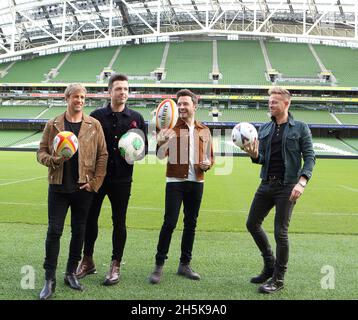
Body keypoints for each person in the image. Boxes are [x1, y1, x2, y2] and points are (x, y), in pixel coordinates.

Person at [37, 83, 108, 300]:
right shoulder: (54, 124)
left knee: (79, 232)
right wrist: (54, 160)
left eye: (82, 97)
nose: (79, 100)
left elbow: (102, 156)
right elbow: (41, 152)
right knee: (54, 232)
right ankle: (49, 278)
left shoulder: (93, 125)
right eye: (75, 97)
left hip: (83, 188)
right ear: (67, 98)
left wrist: (94, 183)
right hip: (58, 187)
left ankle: (70, 273)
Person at [76, 73, 147, 286]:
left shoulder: (136, 118)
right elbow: (87, 147)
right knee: (90, 220)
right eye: (118, 89)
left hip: (122, 180)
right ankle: (87, 260)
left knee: (119, 222)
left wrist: (132, 150)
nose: (123, 92)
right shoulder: (96, 115)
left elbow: (143, 152)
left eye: (126, 89)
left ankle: (116, 264)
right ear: (109, 92)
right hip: (97, 178)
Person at [242, 86, 315, 294]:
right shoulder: (264, 129)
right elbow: (262, 159)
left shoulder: (300, 127)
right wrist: (254, 156)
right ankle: (269, 265)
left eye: (274, 101)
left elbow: (310, 157)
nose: (270, 104)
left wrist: (302, 182)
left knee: (280, 233)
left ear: (286, 103)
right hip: (266, 184)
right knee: (252, 223)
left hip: (288, 186)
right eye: (269, 101)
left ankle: (279, 278)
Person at [149, 89, 214, 284]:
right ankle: (159, 266)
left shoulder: (204, 129)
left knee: (191, 224)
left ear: (195, 106)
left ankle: (184, 264)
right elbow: (160, 156)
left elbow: (211, 158)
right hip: (175, 183)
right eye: (179, 104)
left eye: (186, 103)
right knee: (169, 223)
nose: (182, 107)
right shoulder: (171, 127)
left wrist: (208, 164)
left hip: (197, 183)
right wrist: (160, 141)